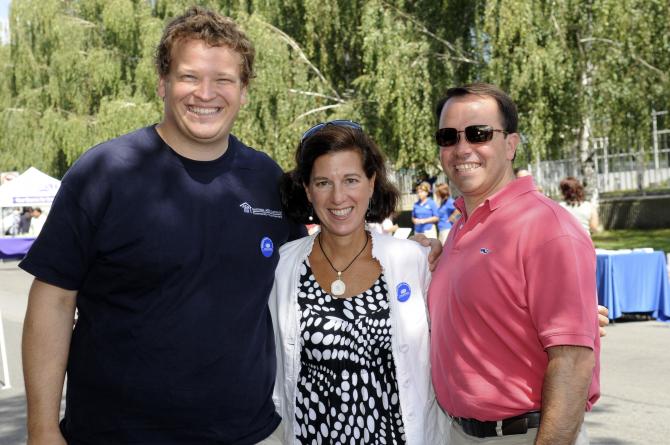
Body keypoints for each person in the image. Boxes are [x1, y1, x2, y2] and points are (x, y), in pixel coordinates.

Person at [20, 7, 305, 445]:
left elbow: (312, 272)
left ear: (244, 91)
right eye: (189, 76)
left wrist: (410, 254)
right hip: (112, 434)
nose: (205, 93)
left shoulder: (267, 179)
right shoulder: (104, 172)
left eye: (224, 80)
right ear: (163, 83)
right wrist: (41, 428)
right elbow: (53, 299)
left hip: (247, 434)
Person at [429, 83, 600, 444]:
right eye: (448, 137)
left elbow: (573, 362)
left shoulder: (547, 227)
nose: (462, 149)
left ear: (510, 144)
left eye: (479, 134)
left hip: (526, 434)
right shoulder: (461, 226)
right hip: (457, 432)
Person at [270, 121, 443, 444]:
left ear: (371, 183)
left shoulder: (412, 261)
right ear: (307, 189)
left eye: (351, 180)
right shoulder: (282, 267)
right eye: (323, 182)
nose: (338, 197)